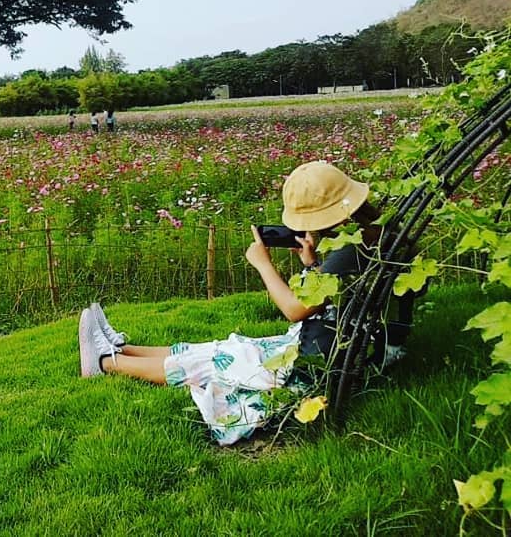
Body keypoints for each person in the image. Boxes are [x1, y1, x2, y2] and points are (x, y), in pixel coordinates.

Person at [78, 160, 382, 445]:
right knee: (223, 350)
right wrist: (312, 264)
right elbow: (326, 297)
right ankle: (120, 349)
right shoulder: (372, 237)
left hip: (315, 366)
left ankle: (105, 363)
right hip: (340, 345)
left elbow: (296, 309)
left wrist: (263, 264)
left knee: (212, 363)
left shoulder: (349, 251)